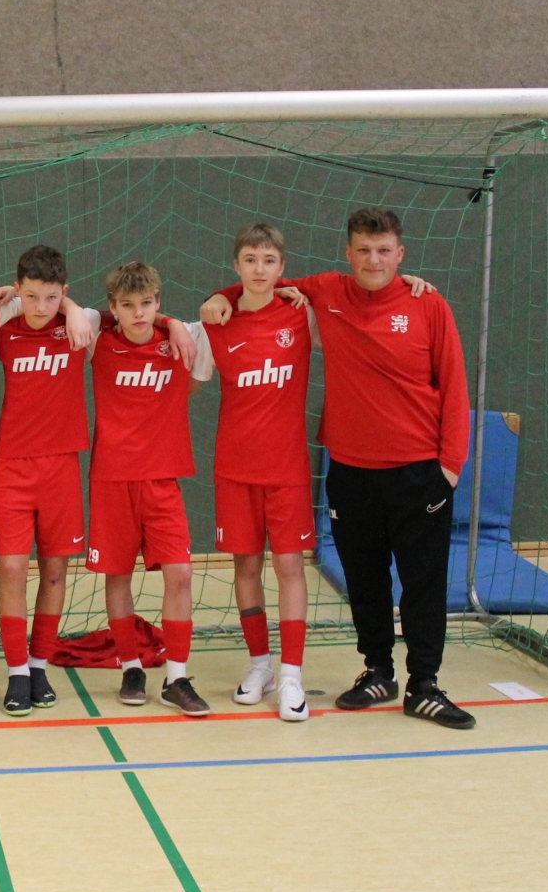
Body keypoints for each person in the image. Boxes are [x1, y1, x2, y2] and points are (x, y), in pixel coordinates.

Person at [201, 207, 476, 729]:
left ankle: (424, 684)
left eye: (384, 250)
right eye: (363, 250)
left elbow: (455, 384)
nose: (374, 260)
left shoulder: (428, 304)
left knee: (422, 582)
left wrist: (450, 466)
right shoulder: (326, 293)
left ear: (400, 253)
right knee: (364, 579)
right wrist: (222, 295)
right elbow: (261, 280)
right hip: (350, 470)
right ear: (348, 253)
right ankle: (378, 671)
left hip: (419, 470)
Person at [188, 224, 316, 722]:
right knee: (245, 568)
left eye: (268, 260)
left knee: (289, 567)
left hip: (287, 470)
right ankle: (260, 664)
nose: (259, 269)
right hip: (235, 469)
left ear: (282, 267)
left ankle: (292, 675)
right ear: (235, 265)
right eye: (249, 259)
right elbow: (185, 382)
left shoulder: (302, 314)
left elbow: (352, 299)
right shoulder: (215, 323)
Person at [86, 262, 213, 716]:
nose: (138, 313)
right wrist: (167, 319)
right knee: (118, 575)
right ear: (113, 307)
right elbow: (58, 306)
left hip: (162, 479)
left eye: (146, 304)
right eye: (127, 305)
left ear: (158, 301)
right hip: (112, 478)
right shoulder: (98, 338)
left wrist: (173, 324)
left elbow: (222, 314)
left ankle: (176, 677)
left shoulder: (184, 340)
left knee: (181, 573)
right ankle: (130, 667)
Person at [0, 245, 93, 717]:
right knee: (12, 569)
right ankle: (15, 671)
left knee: (54, 571)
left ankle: (38, 665)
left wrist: (73, 309)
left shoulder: (80, 324)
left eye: (52, 298)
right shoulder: (3, 327)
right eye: (31, 296)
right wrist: (8, 301)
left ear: (64, 292)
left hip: (61, 467)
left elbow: (139, 316)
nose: (41, 307)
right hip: (11, 465)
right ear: (18, 290)